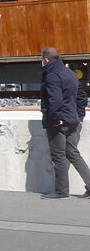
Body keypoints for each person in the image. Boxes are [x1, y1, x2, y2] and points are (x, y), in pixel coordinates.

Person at [38, 47, 90, 200]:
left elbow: (55, 99)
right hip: (72, 121)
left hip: (59, 122)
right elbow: (82, 96)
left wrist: (54, 119)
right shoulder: (70, 73)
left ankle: (61, 192)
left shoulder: (51, 75)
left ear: (46, 59)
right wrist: (79, 115)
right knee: (73, 154)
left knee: (59, 156)